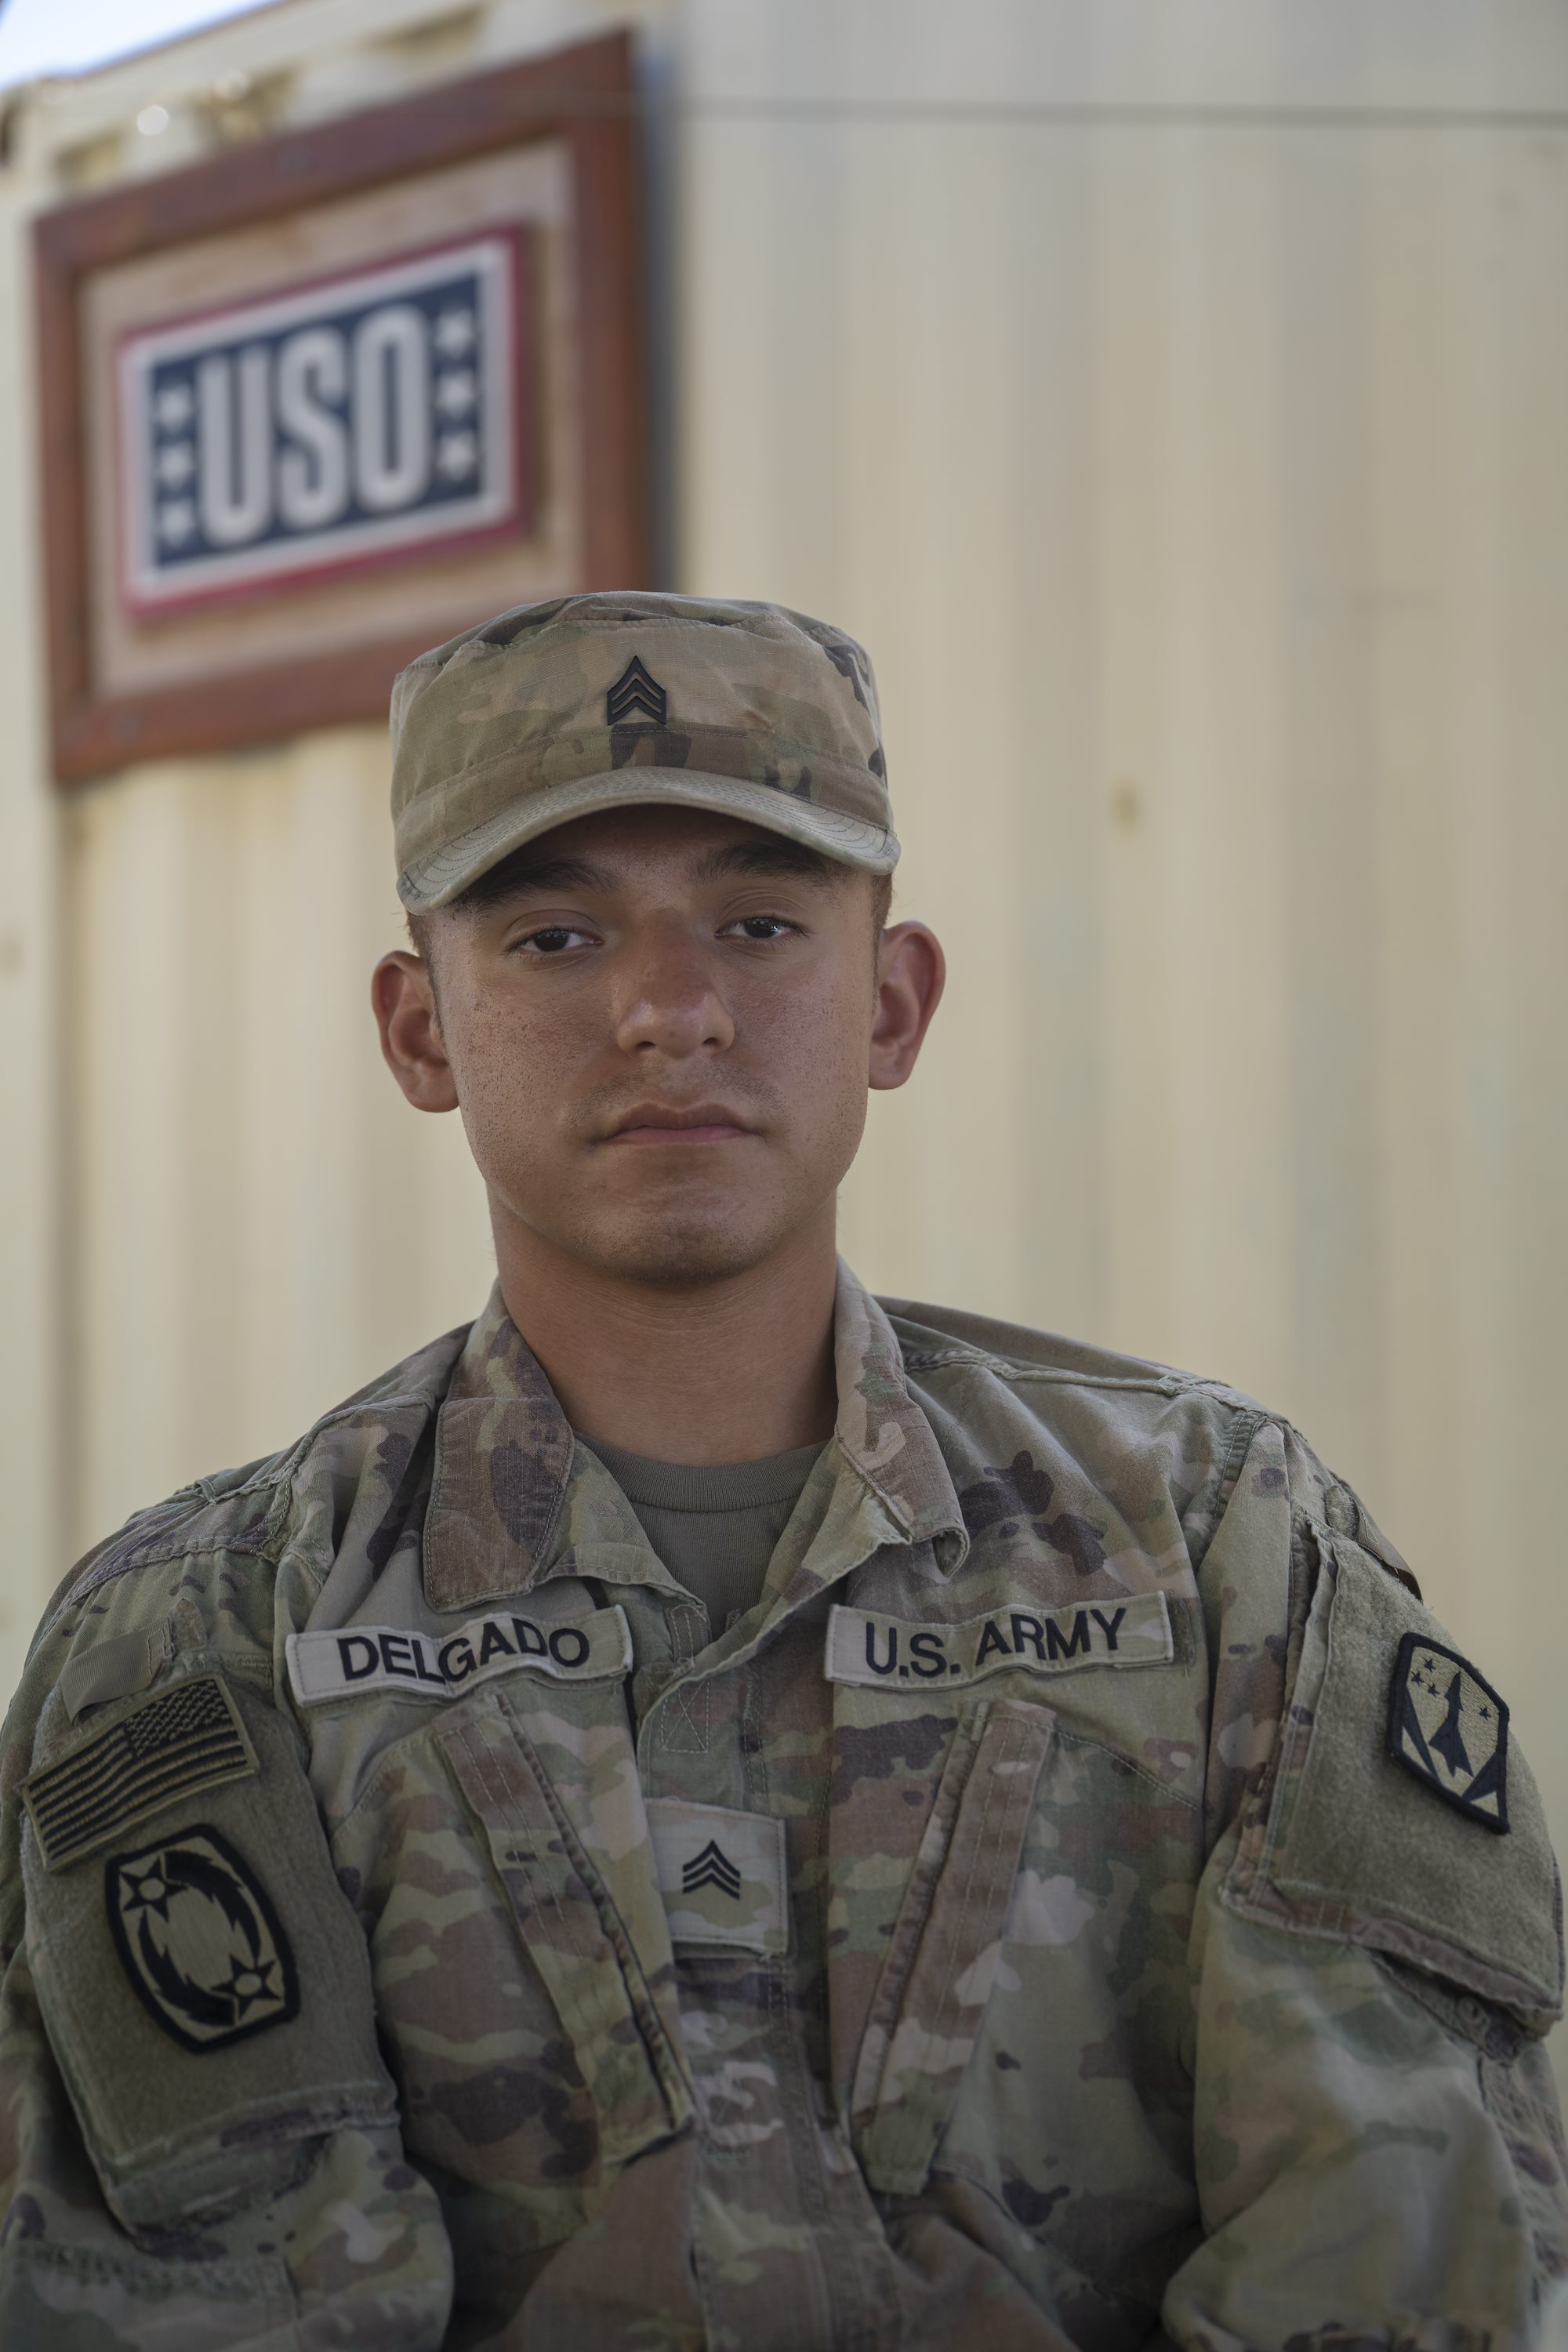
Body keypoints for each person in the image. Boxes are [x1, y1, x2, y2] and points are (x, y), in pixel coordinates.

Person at [0, 593, 1563, 2350]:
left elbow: (1413, 2258)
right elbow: (194, 2304)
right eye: (555, 937)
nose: (670, 1011)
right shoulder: (208, 1637)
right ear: (420, 1030)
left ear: (891, 1002)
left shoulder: (1217, 1552)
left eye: (756, 923)